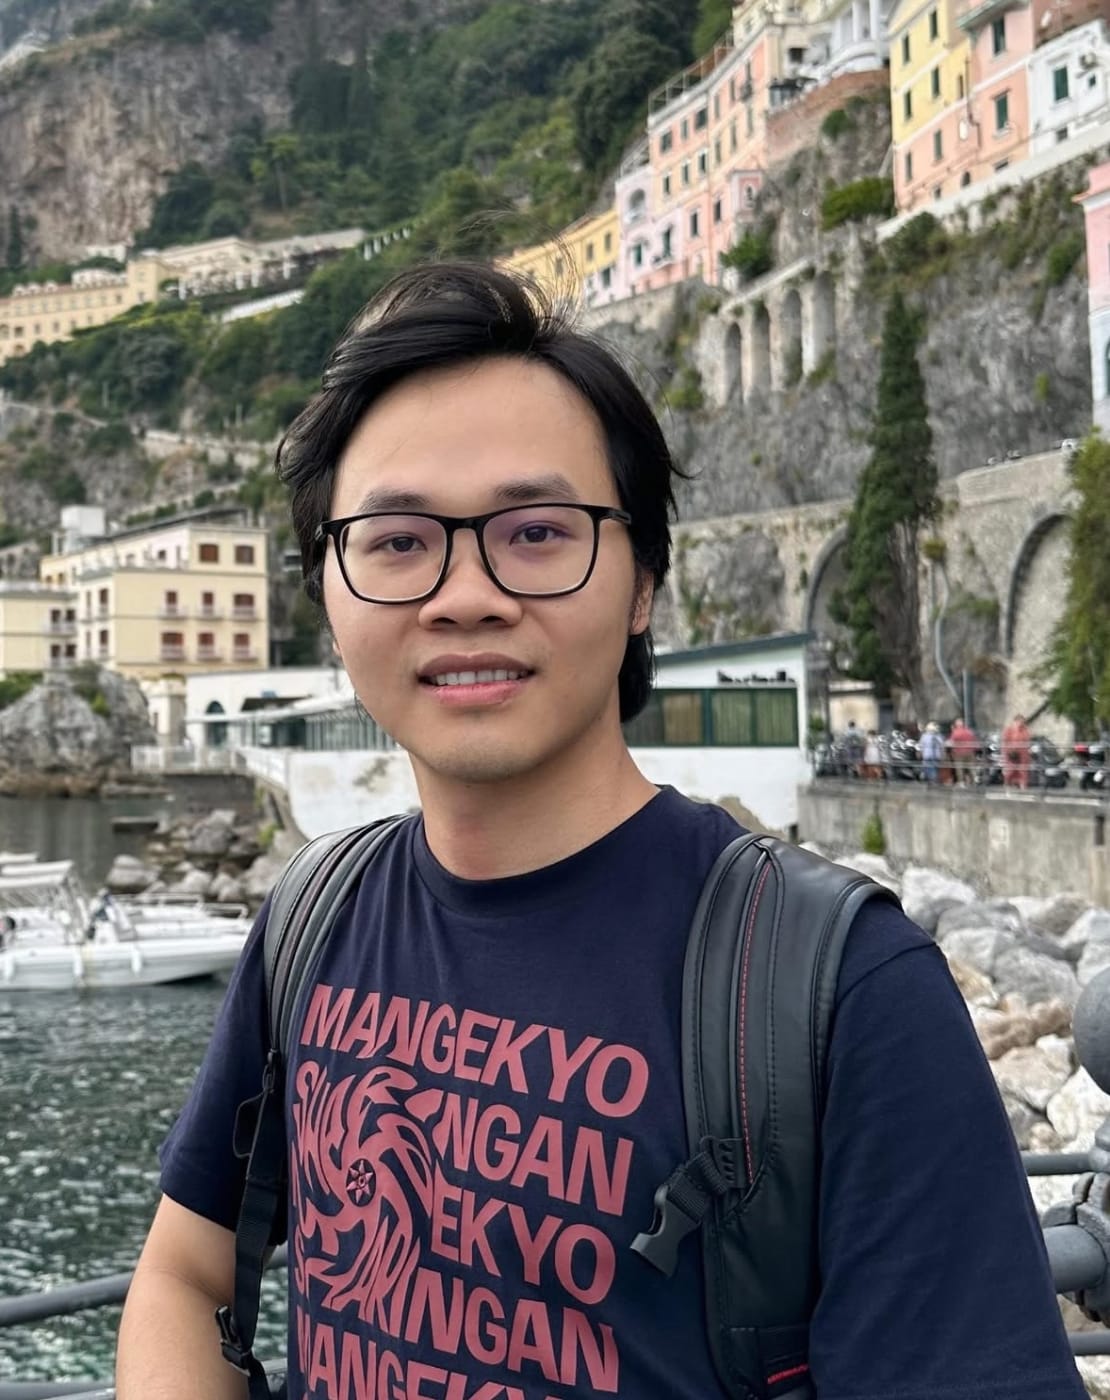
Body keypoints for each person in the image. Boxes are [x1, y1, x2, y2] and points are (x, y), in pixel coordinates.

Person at [117, 263, 1085, 1400]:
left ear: (642, 586)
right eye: (395, 541)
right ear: (328, 591)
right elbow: (186, 1274)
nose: (464, 592)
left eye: (536, 532)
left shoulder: (842, 990)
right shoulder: (311, 918)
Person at [1003, 712, 1033, 789]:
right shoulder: (1009, 730)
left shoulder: (1025, 730)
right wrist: (1008, 750)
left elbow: (1027, 740)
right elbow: (1005, 741)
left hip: (1023, 753)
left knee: (1022, 770)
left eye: (1022, 722)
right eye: (1020, 721)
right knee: (1010, 770)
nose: (1021, 723)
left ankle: (1023, 785)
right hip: (1012, 752)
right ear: (1015, 721)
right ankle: (1008, 784)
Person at [948, 715, 978, 787]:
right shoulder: (969, 731)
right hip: (970, 752)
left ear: (956, 724)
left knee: (959, 768)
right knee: (971, 767)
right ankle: (974, 781)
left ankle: (961, 782)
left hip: (959, 753)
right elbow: (974, 741)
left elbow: (951, 743)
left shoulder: (955, 732)